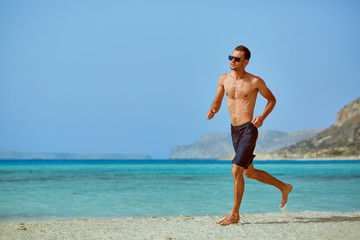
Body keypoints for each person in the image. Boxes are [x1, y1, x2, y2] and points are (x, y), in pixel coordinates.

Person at [206, 45, 293, 226]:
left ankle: (235, 214)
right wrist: (213, 109)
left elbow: (271, 99)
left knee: (236, 169)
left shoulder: (255, 81)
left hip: (248, 129)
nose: (232, 60)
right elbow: (218, 99)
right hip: (234, 130)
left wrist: (261, 117)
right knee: (249, 173)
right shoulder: (224, 79)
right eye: (231, 57)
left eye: (237, 59)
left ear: (245, 62)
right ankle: (284, 187)